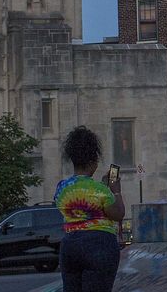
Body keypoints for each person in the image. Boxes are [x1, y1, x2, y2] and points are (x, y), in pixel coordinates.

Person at [54, 125, 125, 292]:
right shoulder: (101, 190)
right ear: (93, 161)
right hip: (99, 245)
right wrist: (116, 191)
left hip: (70, 246)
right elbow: (118, 214)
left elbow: (82, 203)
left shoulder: (62, 188)